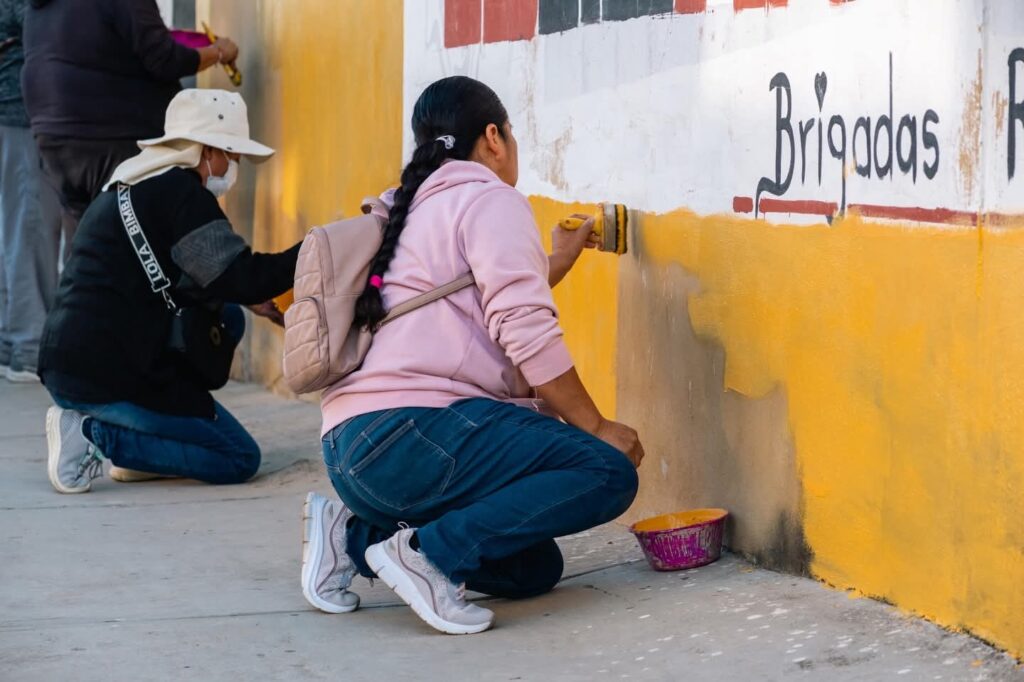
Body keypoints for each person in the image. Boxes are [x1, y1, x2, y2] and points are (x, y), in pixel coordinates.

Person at [300, 76, 645, 635]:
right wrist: (598, 427)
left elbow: (469, 299)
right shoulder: (489, 197)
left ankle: (352, 535)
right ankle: (428, 559)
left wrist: (554, 261)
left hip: (353, 452)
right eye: (510, 133)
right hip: (414, 435)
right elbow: (524, 327)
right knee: (603, 471)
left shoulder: (406, 206)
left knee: (532, 568)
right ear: (492, 137)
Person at [40, 88, 297, 495]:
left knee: (229, 315)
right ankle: (93, 436)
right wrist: (313, 251)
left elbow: (175, 273)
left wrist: (243, 296)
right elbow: (243, 277)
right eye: (232, 156)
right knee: (237, 457)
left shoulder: (128, 182)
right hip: (105, 376)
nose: (233, 167)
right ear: (207, 151)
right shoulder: (183, 195)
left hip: (68, 359)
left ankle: (142, 452)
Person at [21, 0, 240, 258]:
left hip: (54, 137)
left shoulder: (41, 8)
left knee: (86, 243)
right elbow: (165, 59)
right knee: (136, 242)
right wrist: (218, 52)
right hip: (113, 134)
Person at [0, 0, 60, 382]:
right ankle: (29, 346)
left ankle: (11, 343)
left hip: (13, 113)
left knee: (14, 230)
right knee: (30, 226)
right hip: (20, 113)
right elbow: (43, 22)